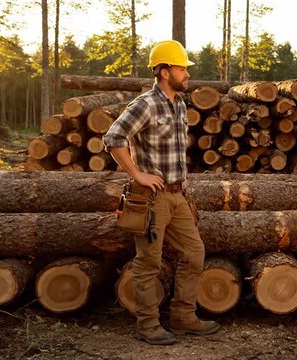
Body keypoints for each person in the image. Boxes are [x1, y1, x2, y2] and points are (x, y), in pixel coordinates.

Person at [103, 40, 220, 345]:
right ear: (165, 71)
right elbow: (114, 137)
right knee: (149, 262)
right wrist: (137, 173)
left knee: (194, 253)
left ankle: (183, 316)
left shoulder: (180, 104)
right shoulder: (145, 104)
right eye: (182, 68)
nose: (187, 74)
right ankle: (148, 325)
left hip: (178, 195)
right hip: (151, 198)